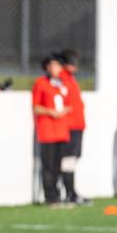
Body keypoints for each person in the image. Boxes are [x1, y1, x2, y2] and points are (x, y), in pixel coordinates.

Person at [32, 53, 71, 206]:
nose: (56, 68)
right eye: (53, 65)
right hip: (48, 132)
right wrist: (50, 112)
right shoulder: (41, 83)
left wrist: (64, 110)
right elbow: (36, 107)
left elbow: (68, 104)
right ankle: (50, 196)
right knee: (48, 166)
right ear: (47, 67)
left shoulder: (62, 84)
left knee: (58, 166)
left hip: (61, 132)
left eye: (58, 65)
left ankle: (58, 194)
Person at [58, 49, 89, 205]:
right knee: (68, 158)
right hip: (69, 126)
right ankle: (69, 193)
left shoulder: (70, 78)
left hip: (77, 125)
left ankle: (71, 192)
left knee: (73, 158)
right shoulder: (62, 78)